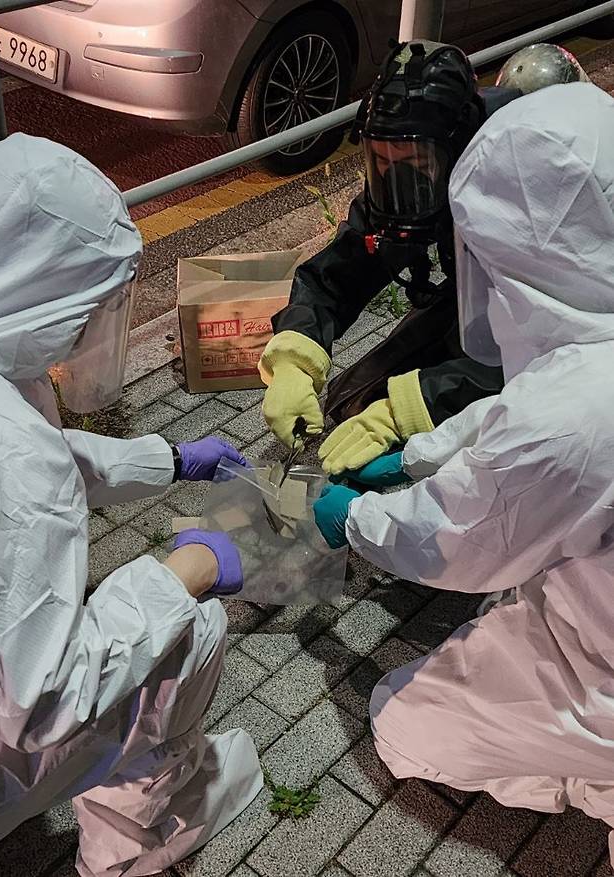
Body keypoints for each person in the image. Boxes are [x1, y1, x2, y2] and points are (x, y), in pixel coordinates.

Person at [314, 81, 614, 861]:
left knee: (402, 721)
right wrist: (416, 453)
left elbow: (456, 536)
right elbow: (537, 416)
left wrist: (355, 515)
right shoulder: (591, 353)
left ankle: (598, 777)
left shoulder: (571, 417)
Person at [0, 133, 262, 877]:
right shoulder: (1, 451)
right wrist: (180, 573)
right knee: (190, 635)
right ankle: (134, 847)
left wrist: (168, 459)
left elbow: (34, 456)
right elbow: (45, 700)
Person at [258, 40, 589, 476]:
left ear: (460, 152)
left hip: (573, 326)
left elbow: (547, 347)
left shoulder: (529, 193)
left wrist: (409, 412)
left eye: (415, 163)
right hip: (483, 293)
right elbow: (341, 270)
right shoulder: (430, 159)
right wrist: (294, 358)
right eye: (383, 161)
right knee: (352, 401)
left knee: (488, 446)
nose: (399, 182)